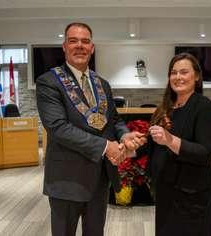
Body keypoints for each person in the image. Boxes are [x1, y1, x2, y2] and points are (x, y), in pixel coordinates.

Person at [36, 22, 146, 236]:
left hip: (99, 179)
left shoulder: (102, 83)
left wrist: (125, 134)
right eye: (73, 41)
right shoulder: (48, 82)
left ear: (92, 47)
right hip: (66, 179)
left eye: (85, 41)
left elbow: (113, 119)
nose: (80, 46)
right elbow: (58, 128)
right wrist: (106, 146)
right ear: (64, 46)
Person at [148, 53, 211, 236]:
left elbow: (205, 153)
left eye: (184, 72)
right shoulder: (165, 108)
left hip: (192, 197)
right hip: (166, 191)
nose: (178, 77)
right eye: (173, 73)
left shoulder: (205, 108)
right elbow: (153, 145)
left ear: (196, 76)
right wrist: (130, 147)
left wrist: (170, 140)